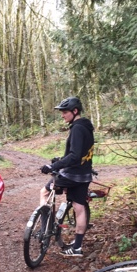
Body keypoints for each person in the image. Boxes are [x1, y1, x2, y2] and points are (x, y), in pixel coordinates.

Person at [39, 96, 95, 257]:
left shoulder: (77, 128)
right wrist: (61, 160)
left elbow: (74, 155)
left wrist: (53, 166)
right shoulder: (86, 127)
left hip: (72, 175)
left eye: (65, 112)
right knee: (79, 207)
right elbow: (80, 153)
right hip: (84, 174)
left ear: (75, 111)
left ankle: (44, 230)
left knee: (44, 192)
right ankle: (76, 248)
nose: (62, 115)